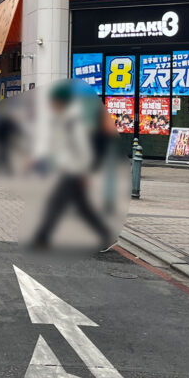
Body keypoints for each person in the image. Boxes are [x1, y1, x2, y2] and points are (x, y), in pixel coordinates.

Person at [29, 79, 115, 251]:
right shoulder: (63, 118)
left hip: (74, 170)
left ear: (61, 102)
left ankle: (41, 239)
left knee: (55, 204)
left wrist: (84, 172)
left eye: (53, 102)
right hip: (68, 169)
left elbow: (83, 148)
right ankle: (105, 235)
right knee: (81, 208)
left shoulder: (73, 121)